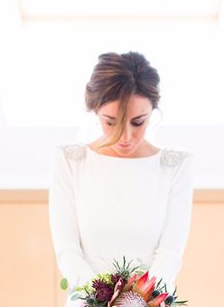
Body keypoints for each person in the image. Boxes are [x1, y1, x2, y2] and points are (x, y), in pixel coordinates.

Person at [48, 51, 194, 306]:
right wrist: (101, 302)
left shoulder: (174, 166)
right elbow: (67, 250)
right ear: (95, 111)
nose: (125, 137)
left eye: (138, 122)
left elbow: (170, 254)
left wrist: (138, 302)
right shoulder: (71, 161)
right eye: (111, 122)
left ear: (152, 112)